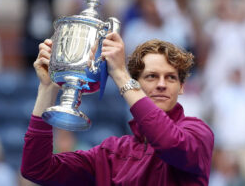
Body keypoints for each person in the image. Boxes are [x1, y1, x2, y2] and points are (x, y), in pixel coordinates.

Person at [21, 32, 214, 185]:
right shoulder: (110, 153)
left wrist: (120, 74)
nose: (161, 84)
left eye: (171, 77)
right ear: (137, 83)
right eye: (151, 76)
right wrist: (47, 89)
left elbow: (167, 142)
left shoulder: (197, 133)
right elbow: (36, 168)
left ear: (181, 87)